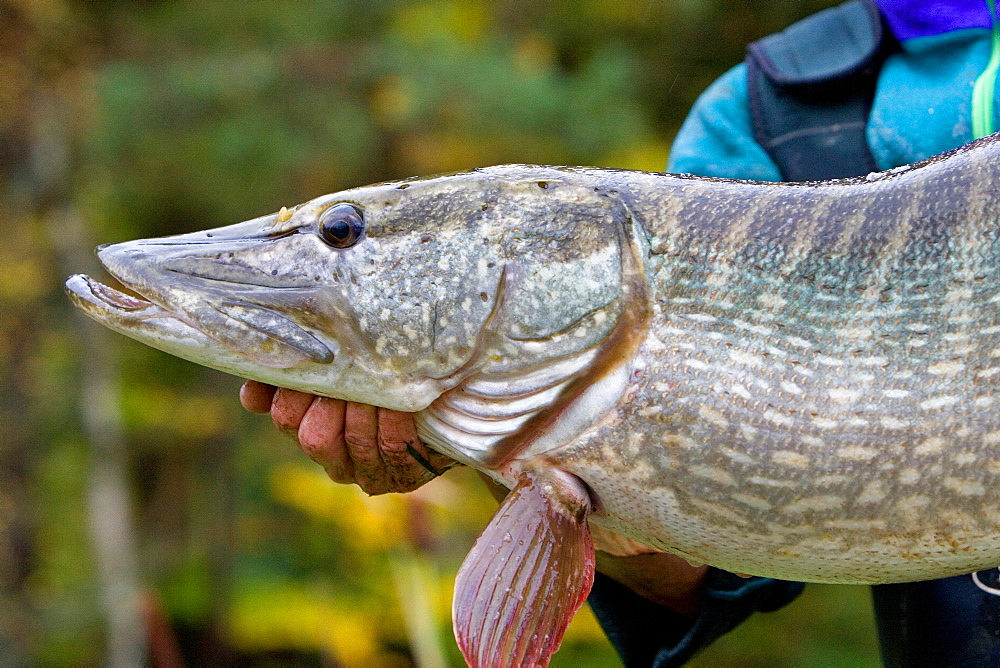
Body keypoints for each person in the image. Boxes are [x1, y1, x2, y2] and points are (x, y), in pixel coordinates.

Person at [241, 1, 1000, 664]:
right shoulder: (770, 110)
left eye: (342, 235)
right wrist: (536, 461)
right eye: (344, 234)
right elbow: (711, 569)